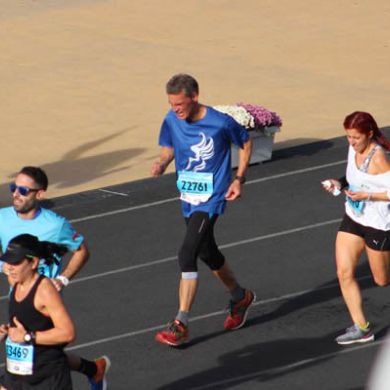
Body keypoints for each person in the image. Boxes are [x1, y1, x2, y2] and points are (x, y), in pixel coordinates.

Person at [151, 73, 255, 347]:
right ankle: (240, 297)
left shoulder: (219, 122)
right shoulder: (172, 119)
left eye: (180, 104)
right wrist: (162, 163)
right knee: (207, 253)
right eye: (172, 104)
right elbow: (168, 146)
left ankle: (180, 323)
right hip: (188, 197)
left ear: (194, 97)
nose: (176, 109)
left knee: (187, 254)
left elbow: (245, 142)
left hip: (211, 198)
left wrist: (239, 178)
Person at [0, 167, 110, 389]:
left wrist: (63, 279)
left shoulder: (55, 225)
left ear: (39, 194)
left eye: (23, 190)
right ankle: (94, 369)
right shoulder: (2, 218)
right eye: (14, 187)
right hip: (17, 295)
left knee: (39, 352)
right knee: (39, 352)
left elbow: (81, 251)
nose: (16, 194)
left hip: (43, 301)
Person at [322, 111, 390, 345]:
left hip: (378, 224)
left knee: (382, 280)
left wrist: (367, 194)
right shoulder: (353, 149)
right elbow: (353, 177)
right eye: (348, 137)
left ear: (369, 134)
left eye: (356, 138)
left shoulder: (380, 158)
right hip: (354, 217)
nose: (351, 142)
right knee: (344, 272)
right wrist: (339, 183)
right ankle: (362, 327)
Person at [0, 234, 76, 389]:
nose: (9, 267)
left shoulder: (44, 290)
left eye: (16, 262)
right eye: (8, 261)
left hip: (46, 378)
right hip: (18, 373)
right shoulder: (15, 281)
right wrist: (7, 330)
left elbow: (67, 333)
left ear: (33, 262)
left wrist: (27, 336)